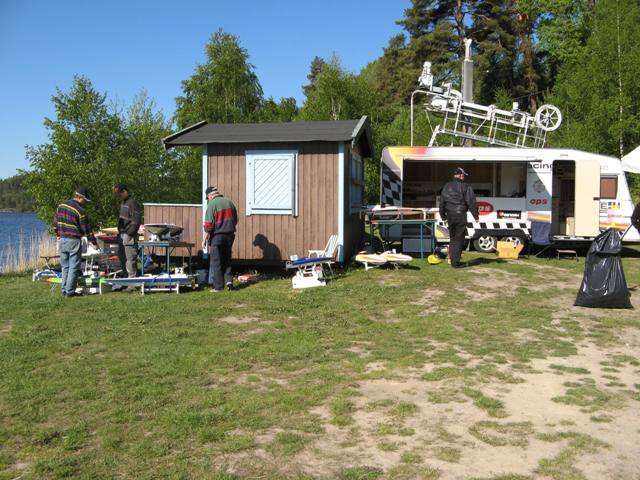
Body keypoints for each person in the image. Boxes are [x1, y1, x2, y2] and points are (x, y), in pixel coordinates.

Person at [53, 187, 97, 297]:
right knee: (73, 267)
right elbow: (87, 230)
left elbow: (55, 224)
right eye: (85, 200)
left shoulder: (61, 205)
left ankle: (64, 290)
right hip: (74, 240)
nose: (85, 202)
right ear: (80, 198)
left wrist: (58, 234)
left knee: (65, 267)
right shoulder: (80, 211)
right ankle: (70, 291)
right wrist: (94, 242)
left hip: (62, 239)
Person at [439, 167, 479, 268]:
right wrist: (476, 216)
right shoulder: (466, 186)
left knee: (453, 239)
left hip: (449, 215)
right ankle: (455, 263)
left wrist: (443, 216)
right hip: (460, 215)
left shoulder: (446, 186)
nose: (464, 177)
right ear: (461, 175)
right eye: (463, 175)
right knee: (459, 239)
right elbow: (471, 202)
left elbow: (442, 202)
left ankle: (451, 260)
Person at [202, 186, 238, 292]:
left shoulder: (212, 204)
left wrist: (204, 239)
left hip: (217, 236)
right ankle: (229, 281)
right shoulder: (230, 202)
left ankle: (218, 287)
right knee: (226, 259)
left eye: (208, 198)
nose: (208, 200)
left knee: (216, 261)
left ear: (210, 196)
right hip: (230, 235)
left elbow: (208, 225)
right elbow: (236, 220)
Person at [113, 183, 141, 279]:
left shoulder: (133, 203)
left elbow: (136, 221)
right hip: (122, 234)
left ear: (124, 191)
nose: (119, 196)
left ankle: (132, 282)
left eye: (119, 194)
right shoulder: (123, 203)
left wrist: (129, 234)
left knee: (130, 259)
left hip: (128, 235)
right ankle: (126, 280)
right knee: (122, 259)